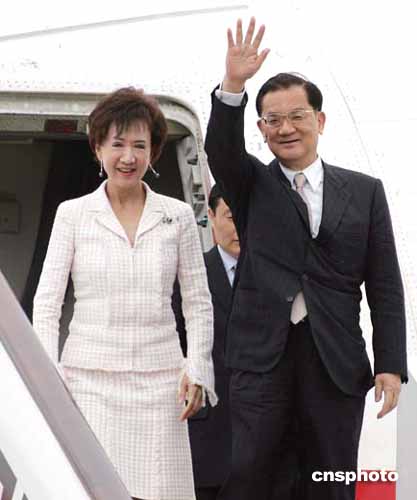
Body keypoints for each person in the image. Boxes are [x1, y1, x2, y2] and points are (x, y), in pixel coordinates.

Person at [204, 17, 408, 500]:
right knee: (252, 480)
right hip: (262, 360)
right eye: (273, 120)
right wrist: (232, 85)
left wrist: (391, 363)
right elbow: (221, 149)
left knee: (330, 480)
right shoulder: (250, 184)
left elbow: (384, 283)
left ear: (320, 120)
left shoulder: (365, 192)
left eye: (297, 115)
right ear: (261, 129)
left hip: (334, 360)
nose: (286, 128)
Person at [33, 87, 217, 500]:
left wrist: (197, 369)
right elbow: (46, 304)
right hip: (88, 384)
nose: (128, 157)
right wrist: (49, 377)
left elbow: (198, 303)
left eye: (139, 145)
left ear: (153, 152)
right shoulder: (73, 214)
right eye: (117, 144)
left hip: (161, 386)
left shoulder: (177, 216)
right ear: (98, 147)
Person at [173, 184, 299, 500]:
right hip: (209, 439)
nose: (241, 226)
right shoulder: (187, 275)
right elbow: (172, 347)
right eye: (231, 216)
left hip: (271, 445)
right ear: (211, 216)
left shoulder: (286, 276)